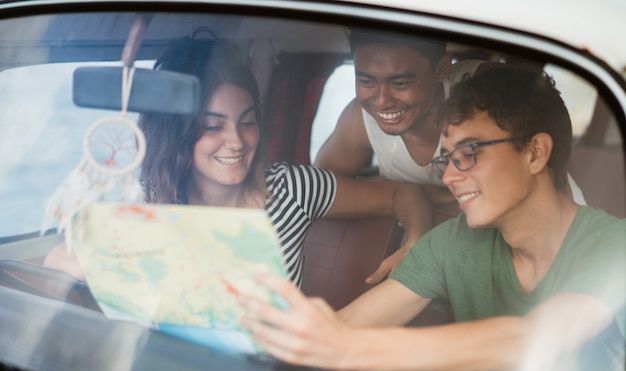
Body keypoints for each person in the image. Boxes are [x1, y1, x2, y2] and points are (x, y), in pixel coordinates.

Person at [238, 67, 625, 371]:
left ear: (536, 153)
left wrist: (344, 345)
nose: (449, 178)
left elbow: (528, 344)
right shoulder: (454, 241)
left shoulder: (614, 248)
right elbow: (343, 331)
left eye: (469, 153)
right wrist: (288, 344)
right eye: (447, 159)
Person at [44, 31, 432, 288]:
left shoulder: (291, 188)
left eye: (247, 123)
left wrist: (415, 241)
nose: (236, 141)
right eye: (212, 126)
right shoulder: (150, 207)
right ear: (177, 133)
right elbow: (56, 261)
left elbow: (403, 193)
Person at [313, 28, 586, 209]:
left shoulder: (486, 88)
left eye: (400, 83)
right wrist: (406, 200)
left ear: (442, 68)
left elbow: (536, 170)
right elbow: (318, 190)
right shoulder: (360, 119)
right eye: (367, 81)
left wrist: (428, 197)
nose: (382, 100)